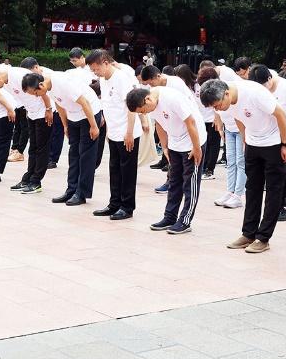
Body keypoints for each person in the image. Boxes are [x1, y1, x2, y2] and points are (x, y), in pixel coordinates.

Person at [202, 76, 286, 254]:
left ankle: (263, 238)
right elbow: (239, 119)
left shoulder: (254, 93)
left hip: (273, 143)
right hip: (253, 143)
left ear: (226, 94)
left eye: (217, 105)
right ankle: (248, 233)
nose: (217, 109)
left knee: (273, 191)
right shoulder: (226, 103)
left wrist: (285, 144)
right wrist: (245, 141)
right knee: (252, 189)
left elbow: (280, 114)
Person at [128, 84, 204, 234]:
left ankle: (185, 221)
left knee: (190, 183)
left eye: (142, 111)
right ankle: (169, 217)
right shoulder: (151, 104)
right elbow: (160, 126)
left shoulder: (172, 98)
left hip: (192, 141)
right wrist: (165, 148)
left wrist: (196, 147)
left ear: (147, 99)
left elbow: (191, 122)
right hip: (175, 141)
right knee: (174, 181)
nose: (144, 113)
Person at [88, 50, 142, 218]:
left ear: (105, 63)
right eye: (93, 70)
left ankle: (127, 207)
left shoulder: (121, 78)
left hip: (127, 132)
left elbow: (132, 107)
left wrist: (129, 132)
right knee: (115, 169)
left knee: (127, 171)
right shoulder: (104, 80)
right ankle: (114, 204)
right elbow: (108, 105)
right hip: (114, 132)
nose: (95, 73)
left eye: (96, 69)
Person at [44, 66, 105, 206]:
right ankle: (71, 190)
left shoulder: (63, 83)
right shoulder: (48, 86)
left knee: (86, 155)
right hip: (74, 116)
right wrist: (65, 125)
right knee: (73, 154)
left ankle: (82, 193)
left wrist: (94, 126)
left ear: (40, 85)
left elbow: (85, 103)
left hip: (89, 114)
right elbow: (59, 106)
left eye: (36, 93)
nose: (37, 96)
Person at [251, 64, 286, 222]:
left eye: (264, 86)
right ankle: (278, 205)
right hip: (276, 137)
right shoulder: (259, 88)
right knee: (280, 173)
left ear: (269, 78)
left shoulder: (285, 87)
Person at [4, 60, 53, 194]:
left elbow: (44, 92)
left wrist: (48, 109)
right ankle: (28, 178)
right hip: (32, 114)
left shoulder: (22, 77)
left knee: (41, 149)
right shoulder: (13, 80)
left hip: (44, 114)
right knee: (33, 148)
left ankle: (36, 182)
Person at [214, 62, 246, 209]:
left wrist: (245, 136)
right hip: (229, 129)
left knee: (240, 162)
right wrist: (220, 126)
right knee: (231, 161)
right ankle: (230, 191)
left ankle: (238, 195)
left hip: (240, 130)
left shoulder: (228, 78)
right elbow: (216, 110)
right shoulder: (213, 90)